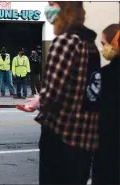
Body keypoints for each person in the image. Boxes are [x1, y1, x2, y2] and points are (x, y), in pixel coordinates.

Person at [25, 2, 101, 184]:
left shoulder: (65, 42)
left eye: (52, 4)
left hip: (61, 137)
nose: (48, 8)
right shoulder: (90, 44)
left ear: (65, 10)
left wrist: (37, 101)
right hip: (85, 137)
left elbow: (53, 93)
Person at [92, 22, 120, 185]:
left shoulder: (104, 76)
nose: (102, 49)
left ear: (115, 43)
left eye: (104, 44)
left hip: (108, 150)